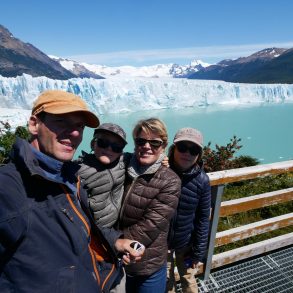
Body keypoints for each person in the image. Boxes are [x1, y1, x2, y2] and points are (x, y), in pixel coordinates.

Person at [0, 90, 143, 293]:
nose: (75, 133)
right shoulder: (8, 188)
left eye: (79, 126)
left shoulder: (69, 177)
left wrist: (115, 242)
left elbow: (78, 229)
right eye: (61, 122)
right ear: (34, 124)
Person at [118, 117, 181, 293]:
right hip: (115, 259)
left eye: (155, 143)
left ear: (163, 146)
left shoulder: (170, 181)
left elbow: (150, 225)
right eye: (141, 141)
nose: (147, 146)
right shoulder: (121, 164)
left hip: (147, 266)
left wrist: (116, 243)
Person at [167, 127, 211, 293]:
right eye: (182, 147)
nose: (187, 153)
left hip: (187, 243)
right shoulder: (161, 172)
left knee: (188, 278)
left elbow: (202, 218)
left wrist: (198, 252)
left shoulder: (202, 181)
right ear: (173, 149)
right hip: (162, 243)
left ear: (198, 155)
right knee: (166, 280)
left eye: (193, 150)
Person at [77, 123, 129, 229]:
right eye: (103, 142)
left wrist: (164, 160)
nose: (109, 148)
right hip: (94, 231)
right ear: (93, 144)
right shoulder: (79, 170)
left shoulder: (123, 161)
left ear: (120, 152)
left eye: (116, 147)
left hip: (117, 226)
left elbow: (144, 157)